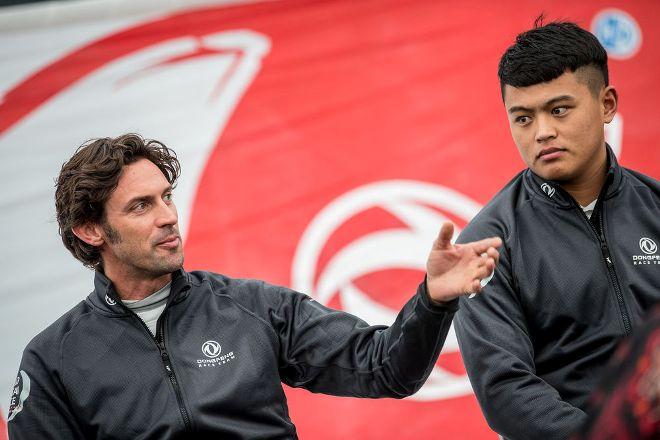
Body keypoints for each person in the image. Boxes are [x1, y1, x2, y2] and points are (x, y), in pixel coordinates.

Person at [7, 133, 501, 439]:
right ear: (91, 231)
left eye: (167, 198)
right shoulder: (53, 359)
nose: (169, 217)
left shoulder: (251, 307)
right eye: (141, 206)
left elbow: (387, 368)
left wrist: (434, 300)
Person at [453, 17, 660, 440]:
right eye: (523, 118)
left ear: (606, 105)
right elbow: (505, 392)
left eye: (559, 109)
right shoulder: (485, 243)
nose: (543, 132)